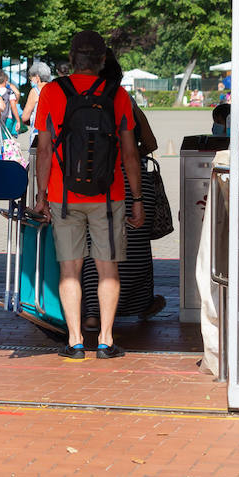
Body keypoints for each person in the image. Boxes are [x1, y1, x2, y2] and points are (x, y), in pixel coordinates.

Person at [33, 31, 144, 360]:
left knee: (70, 270)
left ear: (71, 59)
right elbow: (130, 153)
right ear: (102, 60)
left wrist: (41, 195)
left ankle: (76, 341)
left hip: (63, 195)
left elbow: (44, 149)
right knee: (108, 270)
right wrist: (137, 199)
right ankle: (106, 341)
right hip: (109, 196)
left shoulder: (52, 92)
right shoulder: (117, 94)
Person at [80, 49, 163, 330]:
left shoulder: (77, 101)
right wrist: (131, 155)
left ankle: (93, 313)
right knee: (135, 248)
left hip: (91, 183)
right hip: (132, 182)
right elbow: (150, 142)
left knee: (93, 247)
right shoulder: (124, 100)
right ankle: (138, 304)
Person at [19, 62, 52, 132]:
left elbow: (25, 117)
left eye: (31, 77)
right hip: (54, 131)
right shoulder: (55, 89)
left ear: (37, 77)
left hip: (39, 131)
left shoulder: (35, 91)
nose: (30, 80)